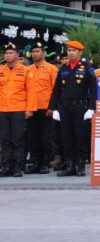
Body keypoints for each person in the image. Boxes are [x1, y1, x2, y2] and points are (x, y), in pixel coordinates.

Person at [47, 40, 97, 177]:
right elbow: (56, 89)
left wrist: (92, 108)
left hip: (80, 107)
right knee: (66, 137)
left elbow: (94, 89)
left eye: (74, 50)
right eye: (69, 50)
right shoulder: (63, 68)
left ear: (80, 52)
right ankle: (70, 165)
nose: (71, 53)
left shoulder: (87, 67)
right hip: (64, 107)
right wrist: (54, 108)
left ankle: (80, 165)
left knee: (80, 137)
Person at [24, 41, 57, 174]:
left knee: (46, 137)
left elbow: (55, 89)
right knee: (32, 137)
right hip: (31, 108)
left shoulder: (51, 68)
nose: (35, 53)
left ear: (43, 53)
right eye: (33, 51)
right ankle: (35, 162)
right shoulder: (27, 69)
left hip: (45, 107)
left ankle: (45, 163)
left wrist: (52, 107)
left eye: (38, 51)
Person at [0, 42, 31, 177]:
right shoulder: (0, 70)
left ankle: (18, 166)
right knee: (4, 139)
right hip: (2, 109)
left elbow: (31, 92)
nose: (8, 55)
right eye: (6, 53)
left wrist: (29, 109)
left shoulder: (25, 70)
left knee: (17, 139)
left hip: (18, 109)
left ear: (17, 55)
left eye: (11, 53)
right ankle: (6, 165)